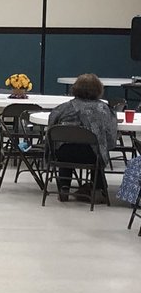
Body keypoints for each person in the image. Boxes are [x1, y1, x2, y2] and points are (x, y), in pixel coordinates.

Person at [48, 73, 118, 203]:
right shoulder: (104, 109)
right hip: (91, 155)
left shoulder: (63, 108)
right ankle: (97, 189)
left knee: (65, 146)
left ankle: (64, 188)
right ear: (99, 89)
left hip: (64, 154)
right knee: (98, 149)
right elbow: (111, 135)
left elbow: (51, 128)